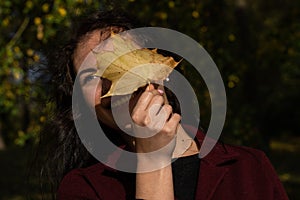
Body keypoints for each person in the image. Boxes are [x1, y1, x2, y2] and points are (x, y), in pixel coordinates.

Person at [41, 9, 289, 200]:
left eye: (122, 58)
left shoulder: (249, 168)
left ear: (158, 65)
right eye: (89, 77)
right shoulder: (85, 188)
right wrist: (152, 159)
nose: (111, 78)